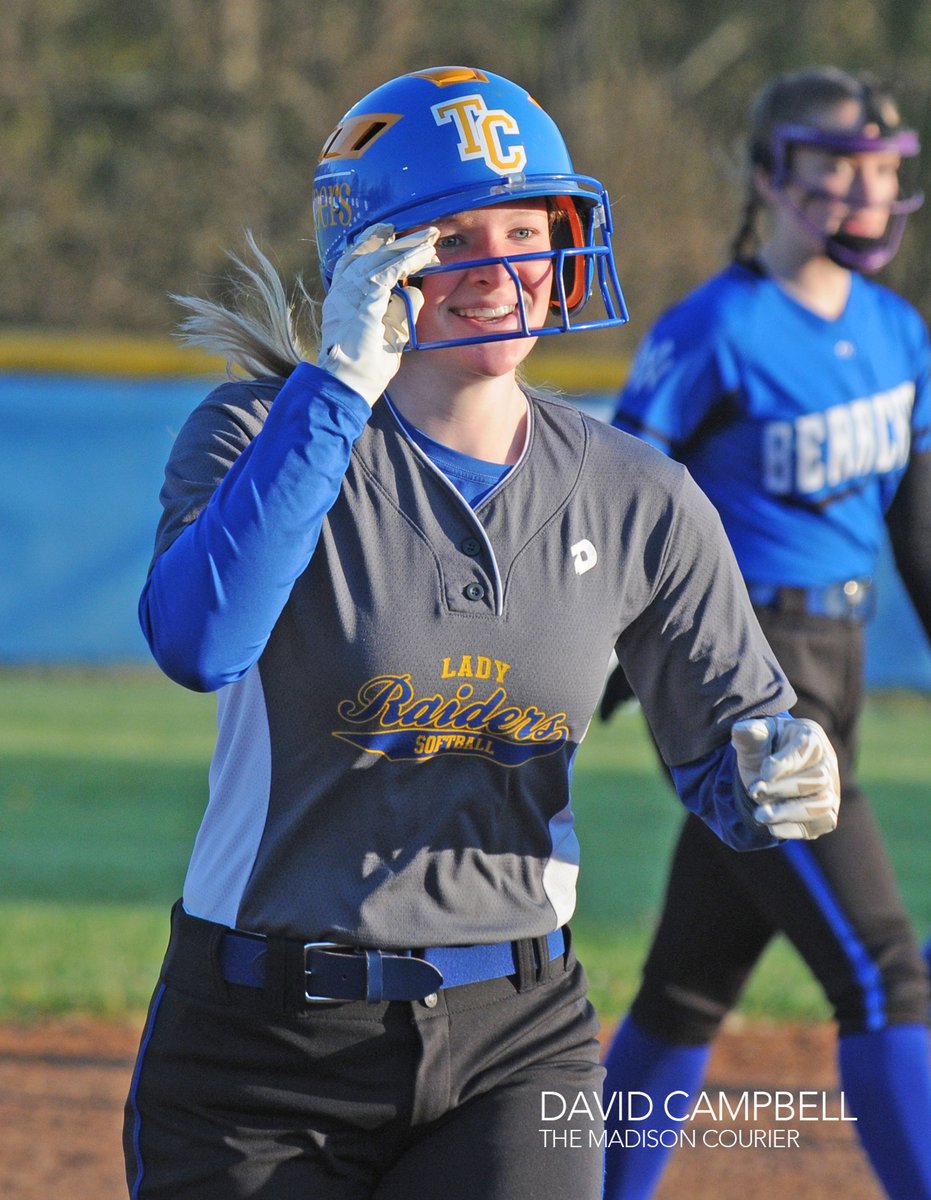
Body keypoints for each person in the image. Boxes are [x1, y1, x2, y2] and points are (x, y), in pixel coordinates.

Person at [122, 65, 841, 1200]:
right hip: (260, 1048)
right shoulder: (257, 433)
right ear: (370, 258)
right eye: (451, 238)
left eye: (528, 229)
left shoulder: (638, 494)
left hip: (516, 1038)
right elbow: (199, 642)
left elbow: (727, 746)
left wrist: (772, 779)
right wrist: (339, 386)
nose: (502, 268)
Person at [600, 65, 931, 1200]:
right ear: (767, 179)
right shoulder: (714, 330)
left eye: (881, 170)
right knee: (885, 973)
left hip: (838, 669)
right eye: (835, 166)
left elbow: (915, 523)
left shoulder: (896, 332)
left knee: (686, 987)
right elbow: (615, 510)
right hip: (737, 679)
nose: (862, 191)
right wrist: (578, 684)